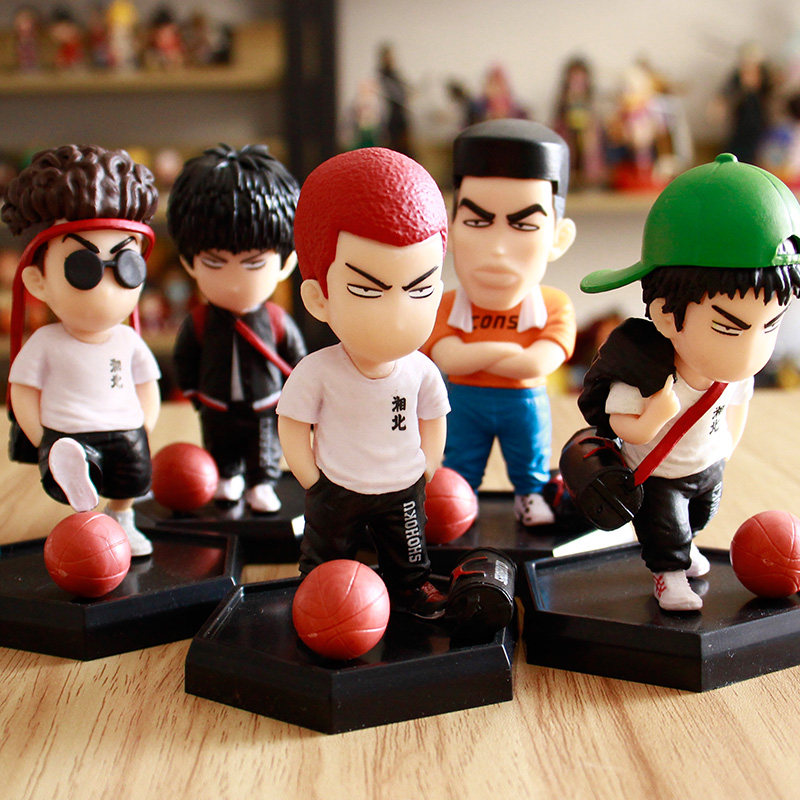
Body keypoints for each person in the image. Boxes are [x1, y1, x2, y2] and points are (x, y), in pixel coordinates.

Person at [578, 153, 800, 611]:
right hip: (658, 472)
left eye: (771, 325)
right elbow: (622, 425)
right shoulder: (645, 369)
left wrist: (726, 447)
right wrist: (657, 413)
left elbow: (738, 406)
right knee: (666, 527)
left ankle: (686, 549)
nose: (751, 350)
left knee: (699, 515)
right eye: (728, 327)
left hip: (707, 463)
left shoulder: (734, 375)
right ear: (665, 312)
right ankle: (668, 574)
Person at [277, 147, 450, 618]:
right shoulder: (317, 370)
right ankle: (320, 594)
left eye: (420, 289)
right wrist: (311, 477)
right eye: (366, 290)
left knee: (410, 554)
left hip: (403, 484)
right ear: (319, 298)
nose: (398, 315)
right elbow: (292, 422)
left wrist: (428, 464)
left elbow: (434, 416)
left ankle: (412, 589)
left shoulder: (421, 370)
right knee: (326, 555)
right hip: (337, 484)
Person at [4, 144, 161, 556]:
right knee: (73, 469)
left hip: (126, 428)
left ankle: (121, 518)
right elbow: (22, 392)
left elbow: (146, 383)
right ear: (38, 281)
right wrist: (43, 439)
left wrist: (146, 423)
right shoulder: (46, 342)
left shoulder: (128, 340)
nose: (107, 290)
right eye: (83, 269)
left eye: (127, 267)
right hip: (67, 433)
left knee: (131, 477)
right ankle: (81, 500)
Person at [423, 119, 577, 526]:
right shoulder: (444, 303)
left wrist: (478, 354)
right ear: (449, 229)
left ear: (558, 237)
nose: (497, 249)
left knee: (531, 457)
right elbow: (448, 359)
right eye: (476, 222)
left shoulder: (555, 305)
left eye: (524, 225)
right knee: (460, 459)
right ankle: (458, 502)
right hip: (463, 401)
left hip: (524, 403)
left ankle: (530, 495)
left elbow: (537, 364)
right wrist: (510, 351)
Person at [168, 144, 305, 513]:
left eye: (253, 263)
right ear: (190, 262)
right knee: (220, 445)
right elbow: (184, 359)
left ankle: (261, 482)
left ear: (285, 263)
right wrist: (194, 392)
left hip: (265, 401)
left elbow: (297, 360)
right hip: (215, 402)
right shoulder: (198, 321)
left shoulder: (276, 320)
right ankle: (227, 477)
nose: (232, 280)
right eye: (214, 263)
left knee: (265, 445)